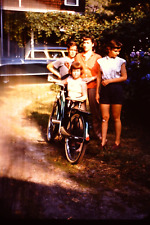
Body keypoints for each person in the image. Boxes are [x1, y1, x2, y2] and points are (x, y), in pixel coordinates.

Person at [96, 39, 127, 149]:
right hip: (104, 90)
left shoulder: (121, 61)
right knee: (105, 117)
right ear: (109, 49)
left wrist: (110, 81)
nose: (117, 53)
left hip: (116, 89)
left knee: (116, 117)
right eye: (115, 50)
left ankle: (117, 142)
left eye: (118, 51)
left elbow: (124, 77)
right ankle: (103, 141)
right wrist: (97, 92)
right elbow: (99, 77)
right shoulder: (101, 61)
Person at [75, 36, 102, 139]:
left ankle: (97, 133)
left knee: (95, 110)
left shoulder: (98, 58)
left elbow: (101, 74)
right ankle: (81, 132)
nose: (85, 45)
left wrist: (91, 78)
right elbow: (75, 70)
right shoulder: (78, 56)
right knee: (80, 109)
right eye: (84, 42)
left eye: (87, 43)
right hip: (80, 86)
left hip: (93, 85)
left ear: (92, 44)